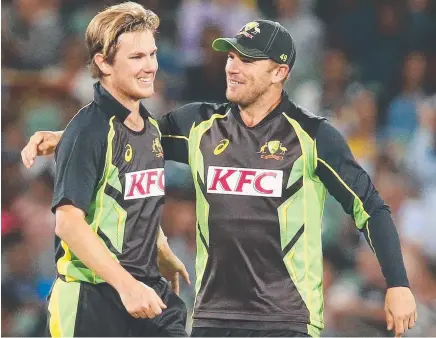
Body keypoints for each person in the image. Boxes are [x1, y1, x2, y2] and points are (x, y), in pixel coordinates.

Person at [22, 20, 417, 337]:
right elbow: (130, 137)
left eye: (246, 58)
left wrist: (397, 284)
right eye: (231, 55)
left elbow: (371, 208)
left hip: (285, 318)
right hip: (212, 317)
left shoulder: (313, 136)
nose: (232, 65)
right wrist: (64, 138)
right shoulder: (198, 123)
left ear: (280, 71)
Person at [21, 2, 190, 337]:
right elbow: (68, 223)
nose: (150, 67)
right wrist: (127, 285)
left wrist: (158, 248)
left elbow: (133, 202)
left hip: (145, 293)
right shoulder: (89, 131)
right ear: (103, 63)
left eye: (152, 54)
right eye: (136, 57)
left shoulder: (149, 127)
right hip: (91, 299)